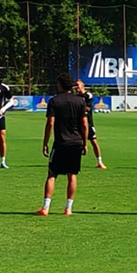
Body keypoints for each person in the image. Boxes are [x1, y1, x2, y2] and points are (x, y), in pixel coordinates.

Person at [38, 74, 88, 216]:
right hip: (76, 142)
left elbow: (50, 123)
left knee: (52, 174)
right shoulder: (80, 101)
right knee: (72, 175)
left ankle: (46, 208)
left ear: (60, 85)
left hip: (60, 143)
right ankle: (68, 208)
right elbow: (84, 124)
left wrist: (45, 142)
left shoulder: (54, 101)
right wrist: (85, 143)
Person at [75, 79, 106, 169]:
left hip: (88, 123)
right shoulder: (75, 96)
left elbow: (87, 108)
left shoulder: (88, 95)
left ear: (82, 86)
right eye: (75, 85)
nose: (76, 87)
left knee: (94, 142)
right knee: (76, 143)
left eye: (77, 85)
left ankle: (100, 161)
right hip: (77, 124)